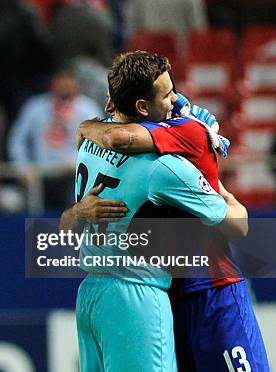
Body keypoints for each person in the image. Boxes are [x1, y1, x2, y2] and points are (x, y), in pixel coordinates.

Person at [60, 51, 248, 371]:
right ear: (142, 107)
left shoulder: (89, 141)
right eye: (167, 93)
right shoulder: (163, 168)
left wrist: (77, 213)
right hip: (136, 298)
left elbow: (67, 226)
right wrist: (226, 195)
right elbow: (236, 226)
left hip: (90, 296)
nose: (175, 100)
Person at [8, 63, 102, 209]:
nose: (65, 85)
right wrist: (22, 167)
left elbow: (100, 145)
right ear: (53, 82)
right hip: (41, 176)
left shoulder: (87, 109)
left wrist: (80, 163)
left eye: (69, 80)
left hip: (74, 176)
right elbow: (17, 140)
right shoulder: (35, 107)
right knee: (36, 219)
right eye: (61, 80)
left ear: (76, 84)